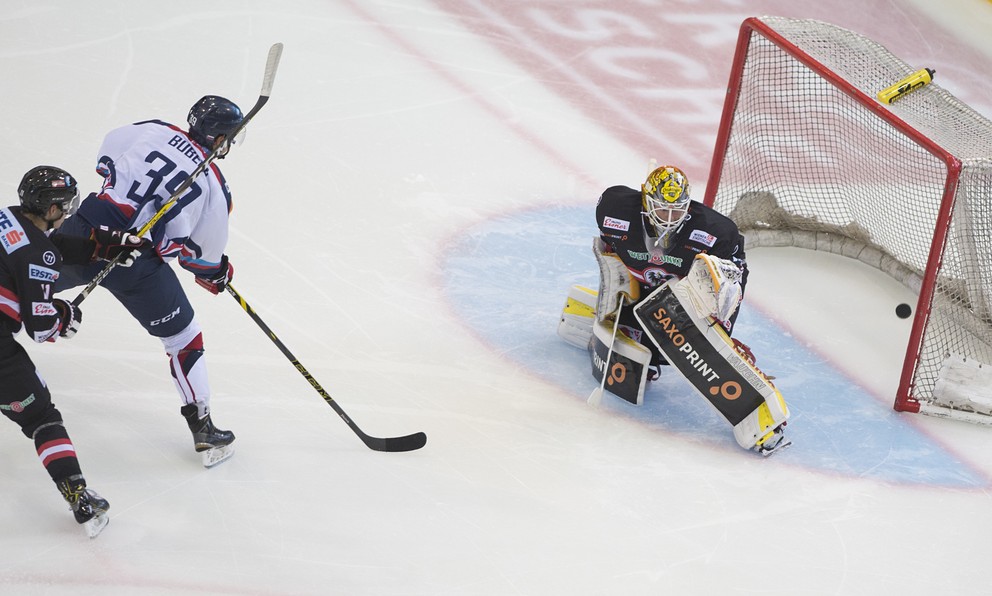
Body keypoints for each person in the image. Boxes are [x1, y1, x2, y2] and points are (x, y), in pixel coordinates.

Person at [53, 95, 244, 468]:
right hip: (136, 262)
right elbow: (200, 259)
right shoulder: (214, 185)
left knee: (15, 283)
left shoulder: (154, 130)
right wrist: (218, 274)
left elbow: (105, 161)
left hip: (84, 234)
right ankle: (203, 428)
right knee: (183, 338)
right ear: (220, 139)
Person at [2, 165, 146, 537]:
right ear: (50, 209)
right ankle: (79, 496)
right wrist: (63, 314)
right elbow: (41, 326)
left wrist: (102, 245)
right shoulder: (37, 254)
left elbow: (46, 246)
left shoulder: (7, 218)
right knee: (42, 419)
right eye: (64, 206)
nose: (66, 212)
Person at [595, 164, 749, 365]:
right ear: (646, 202)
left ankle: (717, 340)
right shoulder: (614, 209)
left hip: (683, 290)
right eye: (662, 209)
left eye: (676, 211)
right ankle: (625, 318)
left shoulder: (715, 232)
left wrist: (720, 326)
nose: (669, 219)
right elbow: (607, 245)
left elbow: (735, 273)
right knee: (637, 328)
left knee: (719, 291)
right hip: (642, 283)